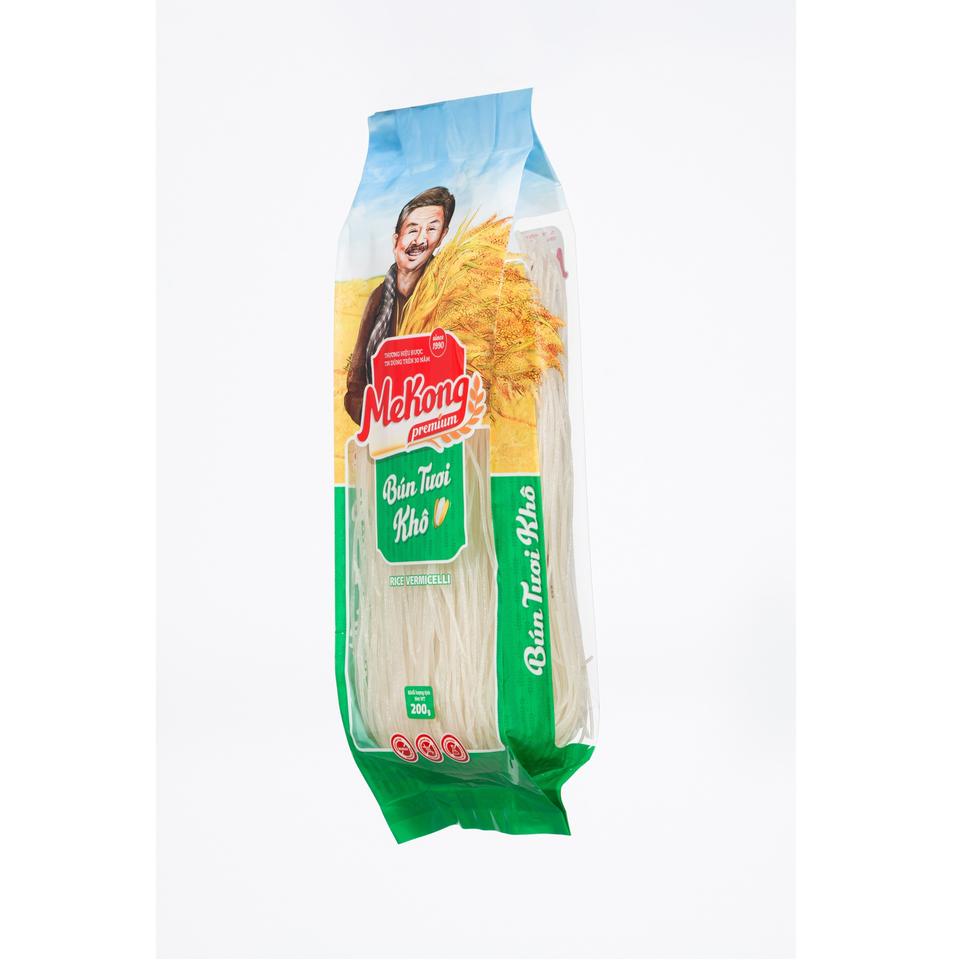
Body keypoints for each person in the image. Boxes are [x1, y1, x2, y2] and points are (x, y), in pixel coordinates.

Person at [344, 186, 455, 424]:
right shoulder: (378, 298)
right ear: (396, 239)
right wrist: (379, 417)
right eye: (412, 229)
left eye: (432, 229)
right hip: (385, 428)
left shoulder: (449, 293)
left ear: (442, 236)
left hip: (437, 425)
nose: (420, 240)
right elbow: (355, 384)